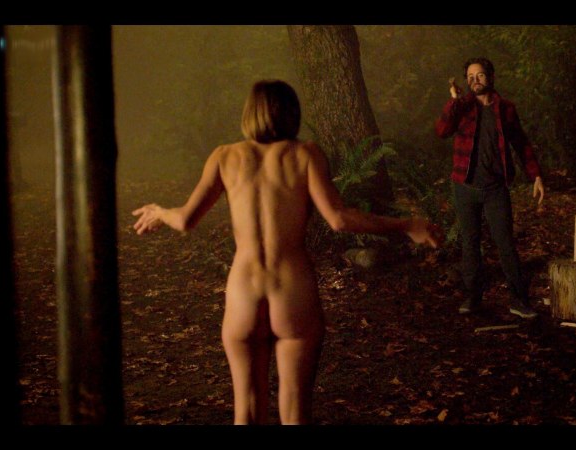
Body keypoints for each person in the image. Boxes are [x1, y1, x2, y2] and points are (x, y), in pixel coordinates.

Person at [132, 80, 442, 424]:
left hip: (244, 290)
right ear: (292, 112)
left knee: (247, 413)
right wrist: (406, 225)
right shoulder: (305, 154)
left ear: (249, 113)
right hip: (292, 289)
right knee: (295, 413)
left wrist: (160, 212)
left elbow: (186, 220)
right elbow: (339, 219)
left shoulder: (224, 157)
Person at [435, 57, 544, 317]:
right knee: (470, 243)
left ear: (491, 77)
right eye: (470, 77)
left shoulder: (505, 109)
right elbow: (442, 131)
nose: (475, 80)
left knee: (505, 243)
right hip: (465, 186)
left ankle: (519, 300)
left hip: (495, 188)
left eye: (480, 75)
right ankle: (473, 297)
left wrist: (536, 176)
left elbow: (521, 143)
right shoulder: (462, 107)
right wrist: (454, 101)